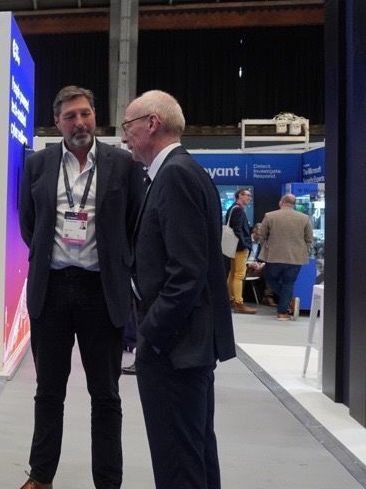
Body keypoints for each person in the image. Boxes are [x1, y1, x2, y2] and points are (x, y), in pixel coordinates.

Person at [17, 85, 142, 489]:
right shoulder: (37, 164)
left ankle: (108, 481)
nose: (79, 122)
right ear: (57, 122)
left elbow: (133, 224)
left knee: (105, 395)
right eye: (70, 116)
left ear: (95, 116)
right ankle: (41, 477)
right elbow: (29, 223)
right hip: (51, 290)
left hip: (101, 292)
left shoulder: (122, 164)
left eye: (85, 113)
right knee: (48, 391)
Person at [121, 90, 235, 489]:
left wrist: (151, 333)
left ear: (152, 123)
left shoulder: (175, 175)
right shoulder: (181, 172)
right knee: (194, 454)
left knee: (178, 462)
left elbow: (186, 272)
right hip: (185, 346)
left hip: (175, 348)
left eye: (128, 126)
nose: (124, 136)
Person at [256, 193, 314, 321]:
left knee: (270, 279)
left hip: (274, 256)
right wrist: (304, 250)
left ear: (281, 202)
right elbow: (309, 238)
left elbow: (262, 235)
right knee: (289, 283)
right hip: (295, 258)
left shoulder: (269, 216)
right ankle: (282, 313)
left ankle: (288, 302)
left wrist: (266, 246)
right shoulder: (304, 218)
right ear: (294, 204)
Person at [226, 188, 257, 314]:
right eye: (248, 195)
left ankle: (231, 299)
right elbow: (237, 229)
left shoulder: (233, 208)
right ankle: (239, 303)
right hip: (239, 247)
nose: (250, 198)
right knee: (239, 275)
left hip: (233, 246)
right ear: (240, 195)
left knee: (232, 273)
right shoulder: (238, 210)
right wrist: (245, 244)